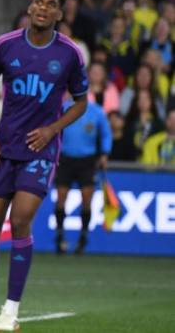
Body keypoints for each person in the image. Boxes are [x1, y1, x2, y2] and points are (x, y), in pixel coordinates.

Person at [0, 0, 88, 331]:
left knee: (20, 221)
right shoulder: (6, 45)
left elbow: (81, 101)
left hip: (40, 151)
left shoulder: (70, 54)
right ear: (31, 7)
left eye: (52, 4)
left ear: (60, 13)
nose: (43, 8)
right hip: (3, 147)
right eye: (39, 2)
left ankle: (11, 312)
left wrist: (52, 129)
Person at [53, 95, 112, 255]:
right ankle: (59, 236)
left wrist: (105, 153)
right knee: (61, 198)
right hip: (65, 158)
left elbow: (106, 133)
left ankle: (83, 237)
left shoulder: (97, 111)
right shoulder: (63, 108)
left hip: (87, 160)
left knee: (87, 199)